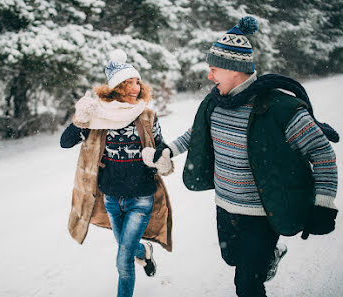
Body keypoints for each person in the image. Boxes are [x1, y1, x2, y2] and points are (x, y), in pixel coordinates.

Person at [142, 16, 339, 297]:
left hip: (262, 214)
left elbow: (321, 152)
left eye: (213, 70)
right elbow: (196, 133)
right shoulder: (215, 103)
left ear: (233, 69)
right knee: (231, 257)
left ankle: (263, 256)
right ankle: (272, 254)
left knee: (246, 284)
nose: (209, 76)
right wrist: (169, 149)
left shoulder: (280, 109)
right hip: (225, 205)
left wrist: (324, 202)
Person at [60, 49, 173, 297]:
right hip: (111, 198)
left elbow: (161, 146)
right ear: (117, 87)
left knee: (122, 261)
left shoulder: (147, 115)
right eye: (129, 82)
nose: (136, 86)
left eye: (137, 81)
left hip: (141, 198)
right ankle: (144, 252)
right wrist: (80, 120)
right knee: (128, 248)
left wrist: (163, 159)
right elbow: (65, 142)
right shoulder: (98, 118)